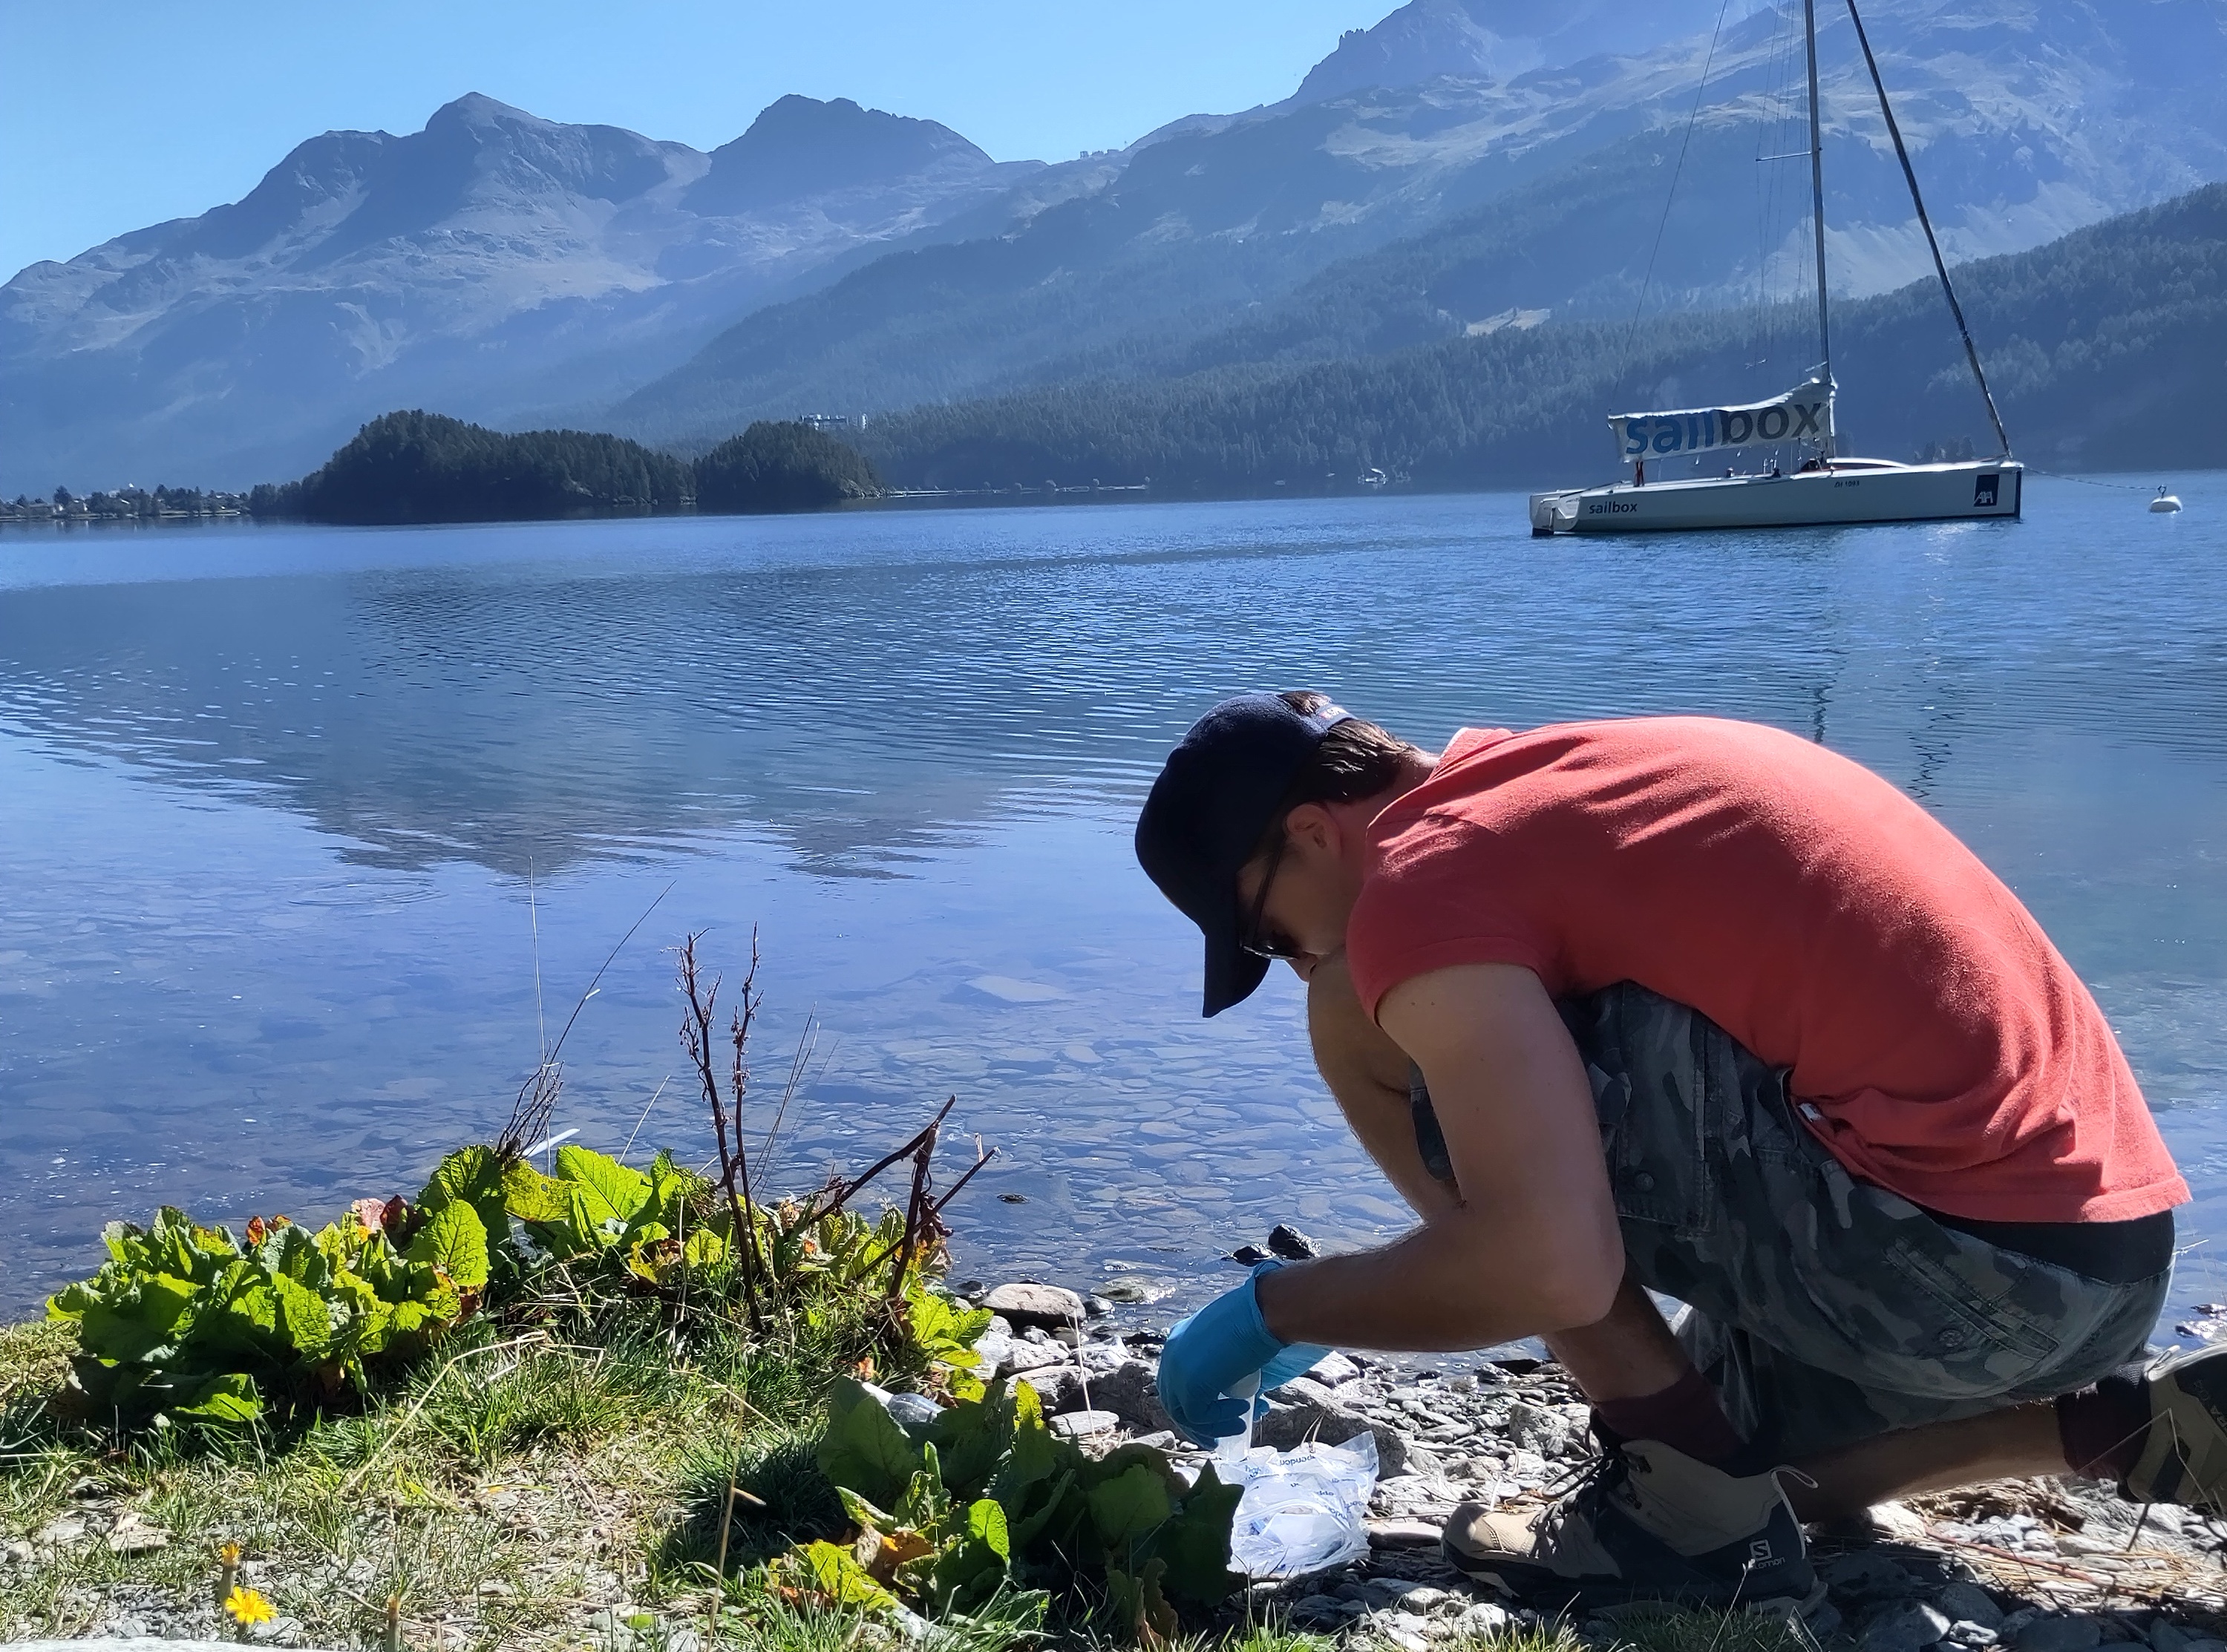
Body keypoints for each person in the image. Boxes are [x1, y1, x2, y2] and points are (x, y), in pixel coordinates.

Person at [1132, 691, 2211, 1613]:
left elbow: (1547, 1265)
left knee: (1357, 1015)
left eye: (1270, 933)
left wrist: (1278, 1309)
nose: (1295, 956)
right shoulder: (1561, 777)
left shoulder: (1419, 880)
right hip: (2098, 1259)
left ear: (1316, 832)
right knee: (1741, 1461)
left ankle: (1679, 1503)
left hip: (1965, 1268)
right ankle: (2115, 1427)